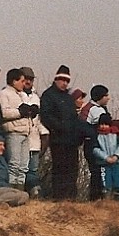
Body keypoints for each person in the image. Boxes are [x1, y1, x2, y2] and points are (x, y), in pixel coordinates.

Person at [39, 65, 84, 200]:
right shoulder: (48, 95)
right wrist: (60, 127)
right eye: (62, 80)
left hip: (71, 141)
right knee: (60, 169)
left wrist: (77, 135)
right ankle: (59, 197)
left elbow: (74, 118)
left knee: (72, 170)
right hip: (58, 140)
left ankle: (71, 197)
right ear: (56, 79)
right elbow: (46, 116)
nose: (65, 83)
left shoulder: (68, 98)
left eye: (67, 81)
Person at [0, 68, 35, 189]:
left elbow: (24, 110)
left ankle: (20, 191)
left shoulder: (22, 95)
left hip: (25, 132)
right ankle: (12, 191)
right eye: (22, 81)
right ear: (14, 81)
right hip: (13, 132)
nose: (24, 84)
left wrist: (31, 111)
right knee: (14, 164)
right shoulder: (4, 94)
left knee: (23, 166)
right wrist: (20, 112)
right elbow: (3, 113)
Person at [19, 67, 48, 196]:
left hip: (35, 139)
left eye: (31, 79)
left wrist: (45, 135)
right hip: (20, 137)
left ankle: (33, 194)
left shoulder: (36, 97)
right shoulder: (15, 95)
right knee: (20, 169)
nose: (28, 81)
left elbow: (40, 119)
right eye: (26, 78)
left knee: (33, 170)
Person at [83, 84, 112, 200]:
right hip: (93, 144)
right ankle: (96, 197)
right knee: (97, 172)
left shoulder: (96, 108)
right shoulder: (95, 110)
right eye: (106, 95)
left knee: (99, 172)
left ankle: (99, 196)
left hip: (96, 144)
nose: (108, 98)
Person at [91, 113, 119, 200]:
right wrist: (106, 157)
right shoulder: (96, 136)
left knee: (118, 181)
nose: (103, 126)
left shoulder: (116, 134)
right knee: (106, 183)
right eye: (101, 124)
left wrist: (116, 156)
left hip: (116, 162)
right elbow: (95, 149)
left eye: (106, 124)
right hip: (103, 163)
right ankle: (106, 199)